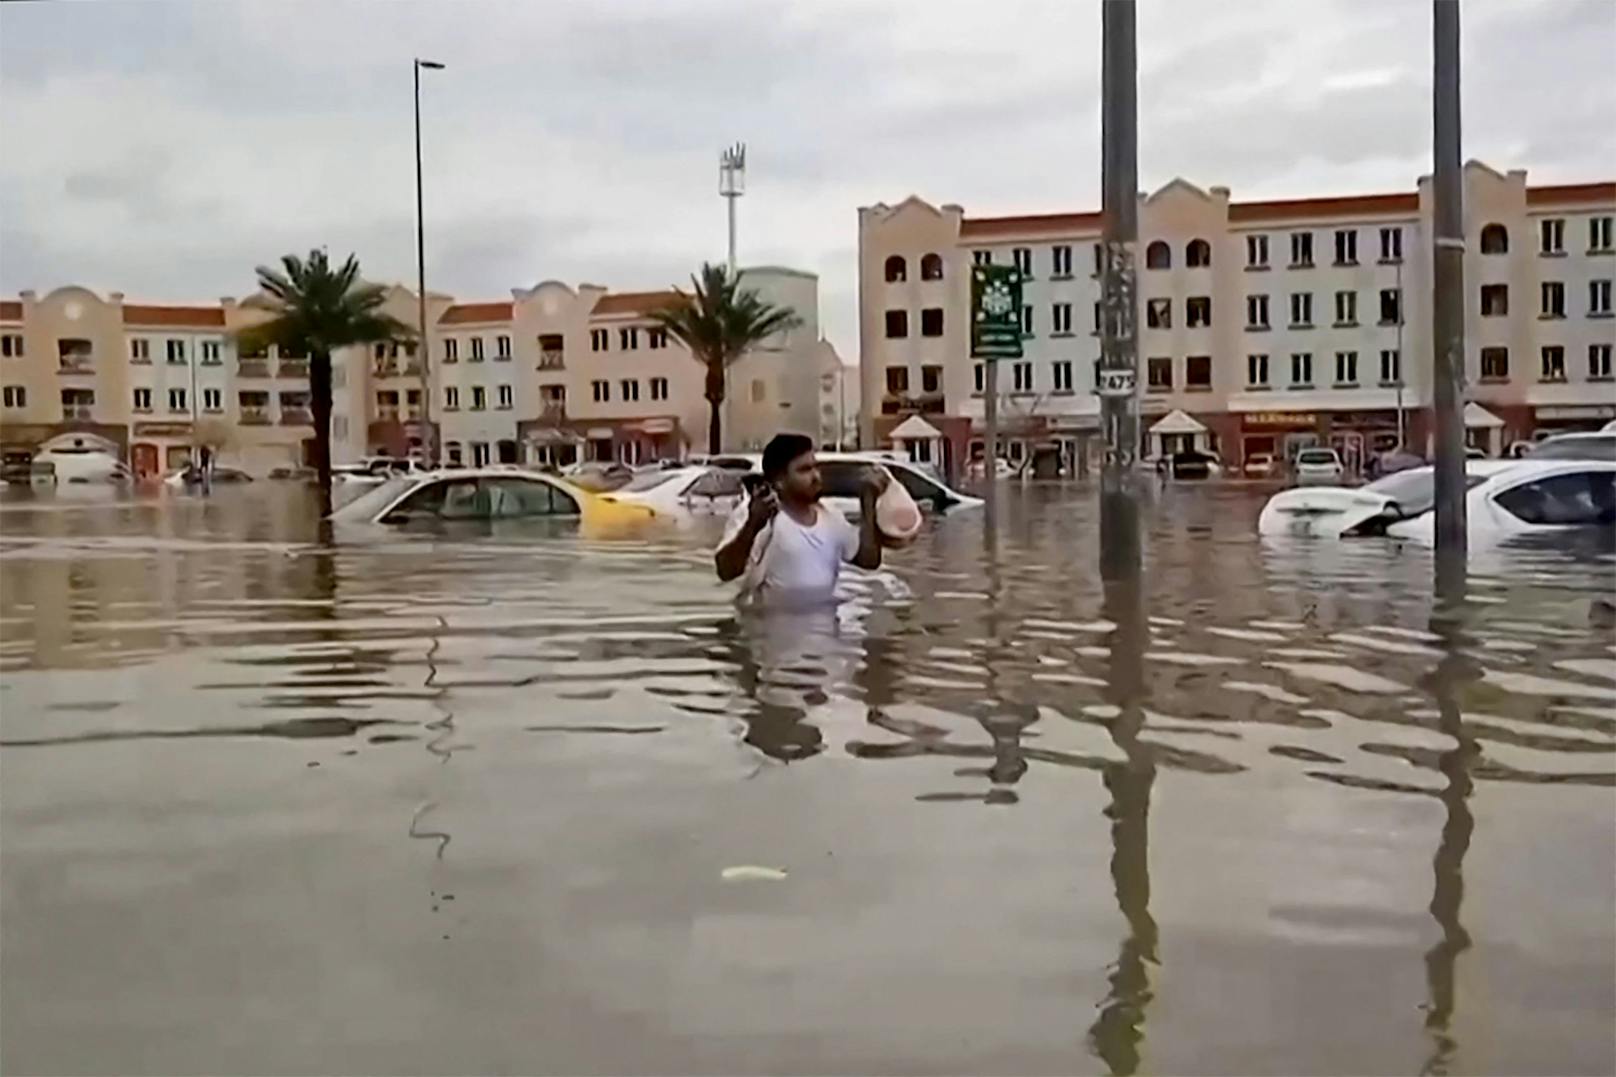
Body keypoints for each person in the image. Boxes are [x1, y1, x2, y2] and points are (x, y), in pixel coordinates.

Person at [715, 433, 888, 607]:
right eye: (804, 470)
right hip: (769, 631)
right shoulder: (757, 513)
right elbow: (726, 571)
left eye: (815, 467)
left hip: (824, 630)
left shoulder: (831, 516)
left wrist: (868, 501)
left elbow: (869, 561)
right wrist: (752, 525)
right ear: (780, 480)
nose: (816, 476)